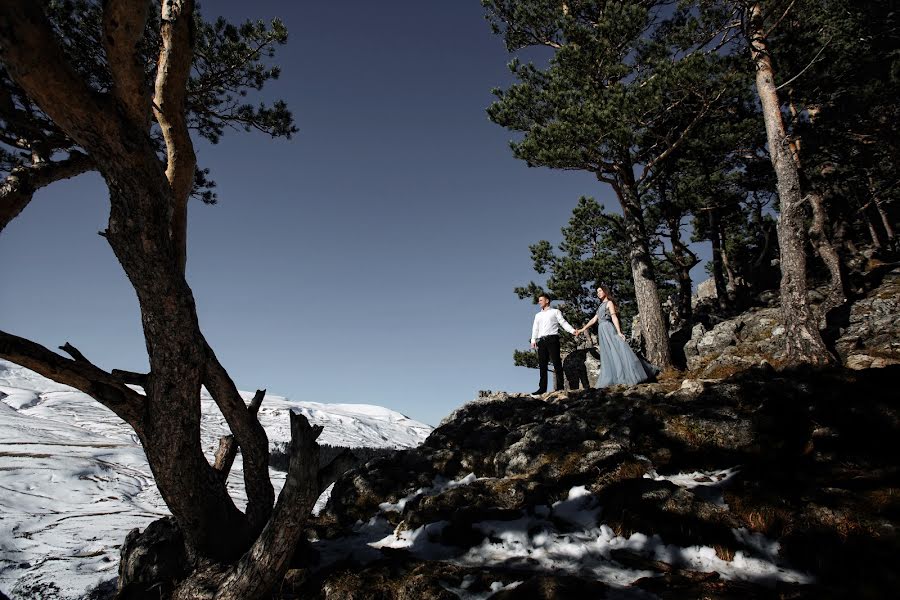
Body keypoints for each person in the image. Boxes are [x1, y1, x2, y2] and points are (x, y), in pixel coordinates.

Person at [575, 285, 658, 387]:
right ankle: (617, 376)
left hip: (609, 329)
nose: (598, 293)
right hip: (602, 331)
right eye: (597, 292)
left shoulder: (609, 303)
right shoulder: (600, 306)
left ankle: (631, 374)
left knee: (619, 350)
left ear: (605, 291)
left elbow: (614, 317)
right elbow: (593, 320)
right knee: (609, 353)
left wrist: (619, 332)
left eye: (600, 291)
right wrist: (582, 329)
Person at [530, 294, 576, 395]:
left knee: (556, 363)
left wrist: (572, 331)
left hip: (553, 339)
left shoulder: (555, 312)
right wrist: (533, 340)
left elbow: (563, 323)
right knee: (542, 365)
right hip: (541, 341)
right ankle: (542, 388)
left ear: (547, 301)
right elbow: (535, 328)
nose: (539, 302)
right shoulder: (538, 315)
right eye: (539, 300)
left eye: (541, 300)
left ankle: (560, 387)